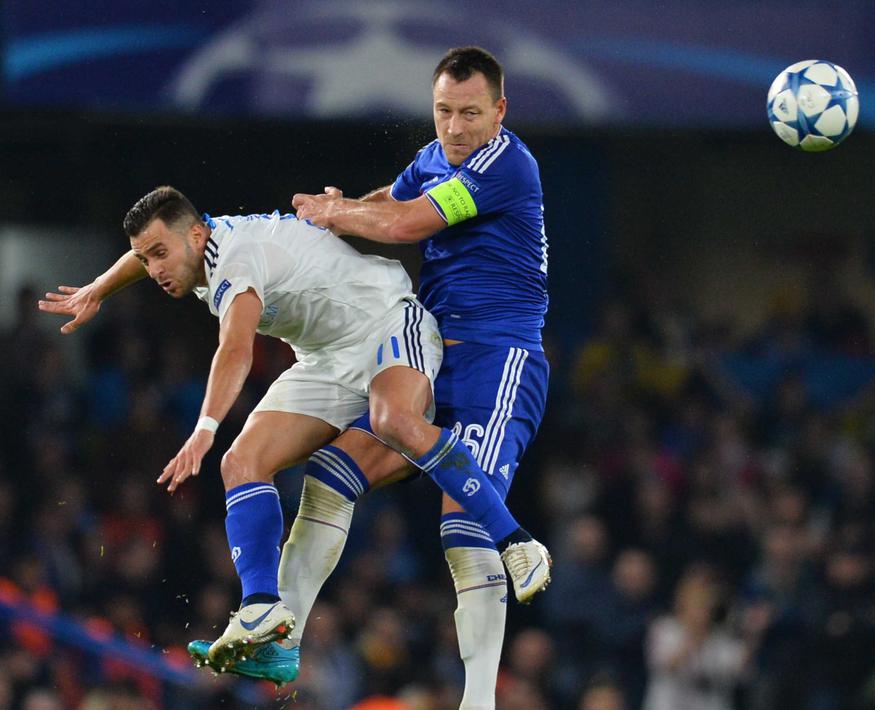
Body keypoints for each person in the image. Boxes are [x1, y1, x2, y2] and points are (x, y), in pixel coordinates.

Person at [37, 185, 550, 674]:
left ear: (195, 236)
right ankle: (263, 610)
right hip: (325, 360)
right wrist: (98, 288)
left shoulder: (234, 261)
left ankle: (516, 542)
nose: (153, 270)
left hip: (388, 325)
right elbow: (146, 249)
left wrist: (205, 426)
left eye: (158, 255)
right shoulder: (193, 244)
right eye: (146, 259)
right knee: (242, 463)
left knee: (393, 420)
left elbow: (236, 348)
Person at [259, 45, 552, 708]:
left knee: (461, 526)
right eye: (444, 111)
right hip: (432, 358)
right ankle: (282, 641)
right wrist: (334, 212)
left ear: (499, 110)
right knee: (331, 477)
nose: (454, 127)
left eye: (470, 113)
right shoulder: (432, 156)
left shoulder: (506, 163)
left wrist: (343, 216)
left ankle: (478, 701)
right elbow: (384, 202)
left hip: (496, 360)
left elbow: (405, 223)